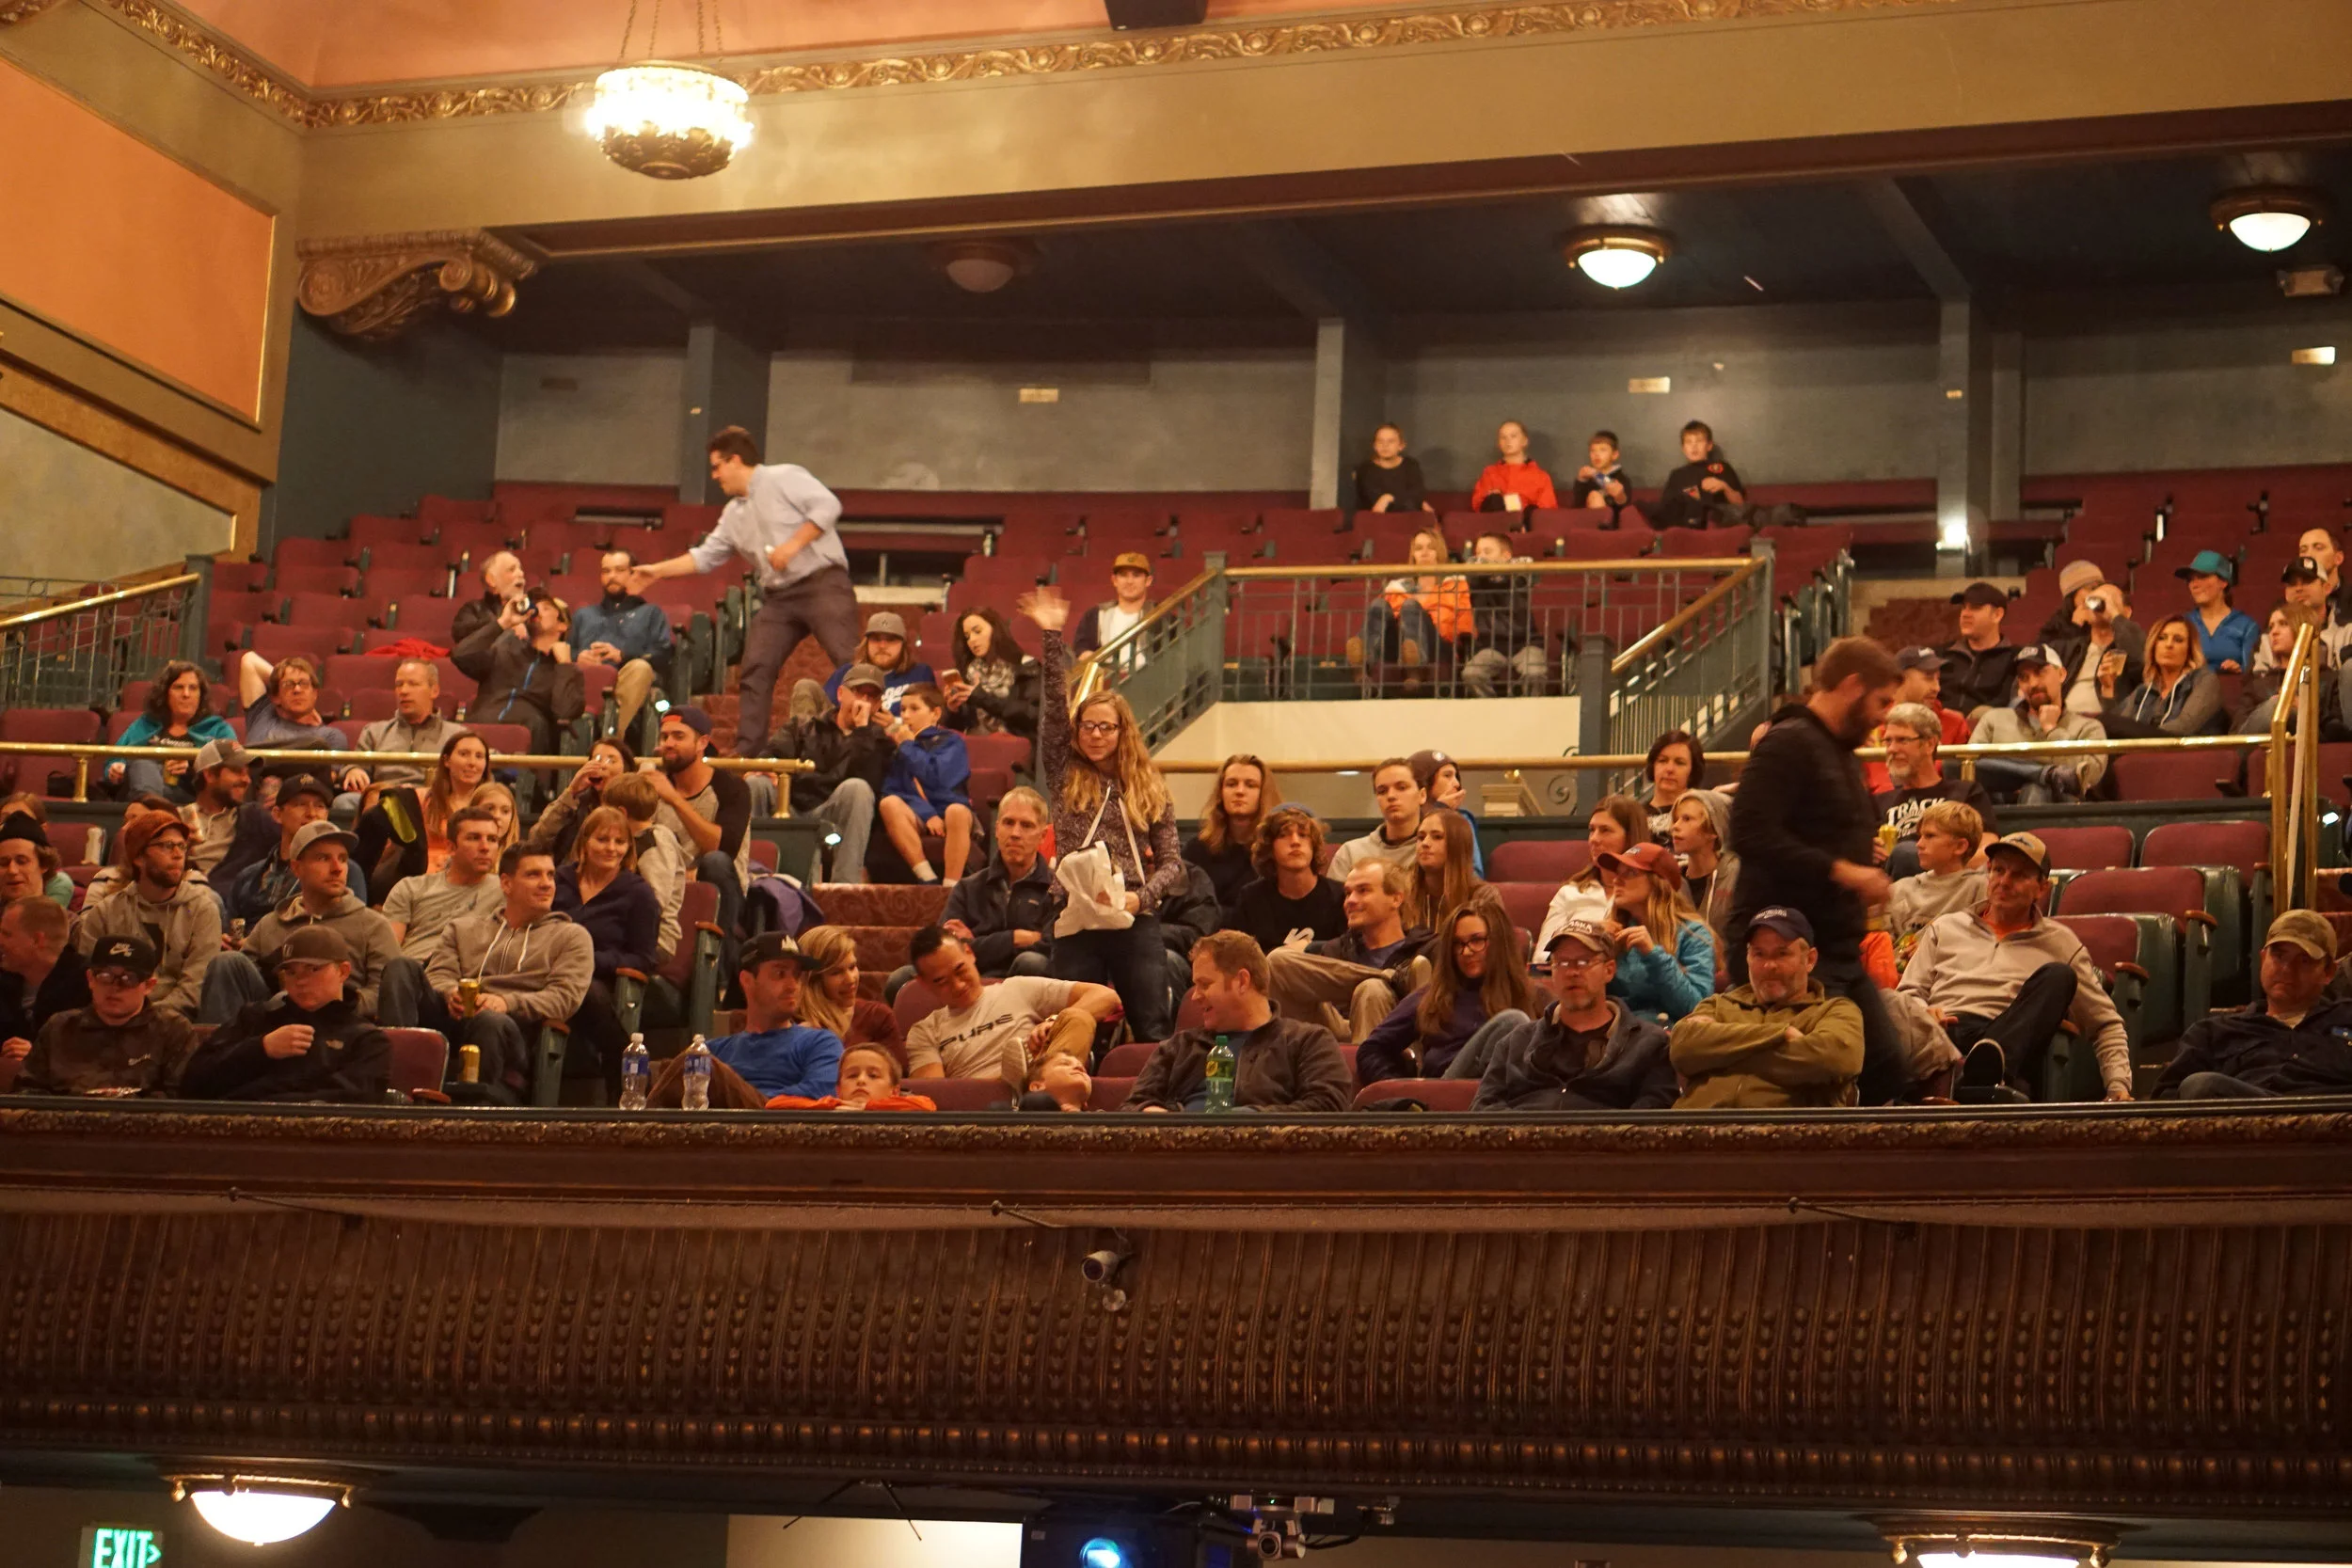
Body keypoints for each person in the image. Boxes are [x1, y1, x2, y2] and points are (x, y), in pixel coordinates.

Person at [1728, 635, 1904, 1102]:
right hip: (1788, 951)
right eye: (1882, 701)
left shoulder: (1837, 751)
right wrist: (1844, 871)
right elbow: (1748, 832)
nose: (1884, 716)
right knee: (1825, 1075)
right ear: (1853, 685)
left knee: (1885, 1065)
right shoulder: (1788, 742)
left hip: (1834, 949)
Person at [626, 426, 860, 758]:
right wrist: (656, 572)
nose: (714, 476)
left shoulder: (783, 477)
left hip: (822, 583)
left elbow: (828, 506)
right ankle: (749, 751)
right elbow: (706, 557)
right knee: (755, 666)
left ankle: (868, 737)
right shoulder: (733, 514)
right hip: (779, 597)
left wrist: (792, 545)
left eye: (717, 467)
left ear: (735, 460)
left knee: (851, 663)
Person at [1025, 586, 1185, 1042]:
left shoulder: (1148, 785)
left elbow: (1172, 862)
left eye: (1106, 728)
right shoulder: (1064, 771)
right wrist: (1052, 637)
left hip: (1132, 913)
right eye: (1088, 726)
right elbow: (1053, 709)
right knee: (1076, 1026)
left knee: (1151, 1023)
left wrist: (1141, 899)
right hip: (1074, 911)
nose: (1095, 735)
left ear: (1122, 732)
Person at [1898, 832, 2131, 1101]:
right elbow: (1908, 993)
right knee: (1885, 1002)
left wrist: (2118, 1086)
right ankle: (1966, 1079)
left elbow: (2104, 1023)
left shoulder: (2060, 943)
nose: (2004, 882)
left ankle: (1981, 1074)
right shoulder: (1946, 926)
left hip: (2005, 1038)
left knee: (2059, 975)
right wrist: (1924, 1012)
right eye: (1998, 870)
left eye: (2019, 875)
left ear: (2042, 888)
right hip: (1942, 1035)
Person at [392, 846, 595, 1101]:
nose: (546, 884)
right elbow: (439, 973)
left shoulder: (571, 936)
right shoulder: (463, 928)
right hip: (453, 1017)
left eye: (550, 875)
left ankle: (477, 1106)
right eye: (533, 875)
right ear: (506, 884)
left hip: (513, 1028)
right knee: (401, 968)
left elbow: (564, 998)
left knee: (490, 1021)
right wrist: (449, 992)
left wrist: (506, 1002)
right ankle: (397, 1081)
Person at [1124, 931, 1354, 1113]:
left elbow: (1327, 1107)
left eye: (1205, 984)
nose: (1195, 996)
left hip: (1263, 1154)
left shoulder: (1308, 1041)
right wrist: (1155, 1116)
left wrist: (1241, 1120)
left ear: (1242, 981)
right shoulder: (1179, 1047)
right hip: (1178, 1151)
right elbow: (1131, 1107)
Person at [199, 819, 401, 1025]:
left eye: (342, 859)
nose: (337, 869)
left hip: (343, 1028)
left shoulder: (373, 925)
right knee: (227, 962)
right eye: (323, 858)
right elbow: (242, 985)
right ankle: (219, 1044)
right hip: (275, 1027)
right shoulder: (270, 924)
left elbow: (386, 993)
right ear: (296, 868)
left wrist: (330, 1001)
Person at [1669, 906, 1865, 1109]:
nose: (1769, 965)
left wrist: (1721, 1051)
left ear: (1810, 959)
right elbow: (1682, 1047)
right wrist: (1782, 1034)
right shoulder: (1719, 1004)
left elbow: (1833, 1060)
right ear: (1747, 957)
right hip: (1693, 1124)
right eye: (1759, 954)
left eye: (1782, 953)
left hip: (1785, 1127)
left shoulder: (1836, 1011)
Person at [1470, 919, 1677, 1111]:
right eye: (1562, 963)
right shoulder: (1515, 1042)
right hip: (1521, 1136)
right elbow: (1483, 1109)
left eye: (1584, 962)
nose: (1572, 972)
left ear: (1609, 970)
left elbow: (1652, 1119)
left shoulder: (1649, 1045)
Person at [180, 926, 391, 1102]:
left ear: (343, 971)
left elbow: (354, 1101)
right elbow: (191, 1084)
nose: (301, 980)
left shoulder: (366, 1040)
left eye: (313, 969)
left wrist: (259, 1095)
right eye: (291, 972)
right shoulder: (254, 1018)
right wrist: (260, 1048)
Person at [2153, 911, 2352, 1100]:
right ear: (2263, 958)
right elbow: (2167, 1100)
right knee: (2201, 1085)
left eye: (2304, 961)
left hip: (2331, 1115)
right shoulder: (2212, 1033)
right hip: (2241, 1116)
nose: (2286, 969)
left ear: (2328, 972)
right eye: (2279, 956)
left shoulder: (2346, 1016)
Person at [902, 927, 1120, 1086]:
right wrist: (1003, 1081)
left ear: (969, 953)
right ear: (923, 983)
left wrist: (1055, 1022)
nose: (958, 985)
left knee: (1077, 1020)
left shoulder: (1017, 988)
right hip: (980, 1110)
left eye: (960, 970)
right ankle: (1030, 1088)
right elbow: (934, 1095)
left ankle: (1039, 1091)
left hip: (1040, 1082)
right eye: (941, 981)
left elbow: (1106, 996)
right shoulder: (924, 1032)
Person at [1356, 890, 1534, 1084]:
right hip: (1447, 1093)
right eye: (1458, 944)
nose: (1466, 952)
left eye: (1476, 940)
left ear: (1499, 942)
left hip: (1506, 1097)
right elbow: (1371, 1050)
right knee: (1512, 1022)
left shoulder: (1530, 995)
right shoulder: (1434, 996)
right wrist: (1404, 1093)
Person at [897, 785, 1057, 997]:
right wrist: (1015, 938)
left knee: (1031, 962)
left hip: (1021, 983)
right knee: (901, 979)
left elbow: (1051, 947)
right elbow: (946, 948)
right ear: (997, 829)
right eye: (1008, 823)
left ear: (1043, 836)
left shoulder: (1056, 888)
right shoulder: (968, 887)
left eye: (1026, 825)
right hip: (968, 976)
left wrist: (974, 944)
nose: (1015, 833)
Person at [647, 932, 841, 1108]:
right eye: (780, 974)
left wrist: (738, 1095)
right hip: (718, 1129)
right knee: (681, 1063)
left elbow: (820, 1093)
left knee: (697, 1061)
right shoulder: (717, 1049)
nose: (793, 985)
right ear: (747, 981)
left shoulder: (820, 1042)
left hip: (777, 1121)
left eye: (797, 976)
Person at [8, 936, 198, 1097]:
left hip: (147, 1127)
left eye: (128, 979)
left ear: (148, 986)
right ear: (90, 979)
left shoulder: (172, 1030)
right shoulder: (60, 1028)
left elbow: (184, 1101)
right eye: (105, 976)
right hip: (68, 1126)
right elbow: (27, 1091)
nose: (115, 987)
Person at [1264, 860, 1429, 1043]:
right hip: (1337, 1032)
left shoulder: (1425, 949)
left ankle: (1383, 982)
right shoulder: (1336, 949)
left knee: (1372, 988)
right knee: (1277, 960)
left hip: (1395, 1040)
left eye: (1363, 891)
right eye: (1348, 893)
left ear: (1396, 899)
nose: (1350, 901)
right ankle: (1392, 978)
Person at [73, 813, 219, 1018]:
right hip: (115, 1018)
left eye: (182, 846)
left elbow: (195, 986)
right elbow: (89, 979)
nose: (178, 855)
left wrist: (146, 1018)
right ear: (139, 858)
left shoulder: (202, 910)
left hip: (174, 1022)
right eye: (167, 846)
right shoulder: (106, 912)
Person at [766, 672, 893, 884]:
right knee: (756, 782)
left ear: (878, 705)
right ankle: (752, 875)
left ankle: (844, 886)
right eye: (858, 693)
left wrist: (862, 732)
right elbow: (770, 755)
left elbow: (870, 783)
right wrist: (767, 769)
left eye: (871, 697)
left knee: (858, 788)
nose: (863, 702)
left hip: (834, 813)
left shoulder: (879, 741)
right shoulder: (803, 726)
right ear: (841, 694)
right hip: (792, 806)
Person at [648, 705, 754, 925]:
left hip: (724, 893)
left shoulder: (732, 787)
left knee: (715, 862)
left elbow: (722, 849)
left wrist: (674, 799)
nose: (669, 743)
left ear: (702, 743)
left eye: (679, 736)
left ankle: (725, 944)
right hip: (667, 884)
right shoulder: (655, 787)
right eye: (665, 737)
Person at [355, 728, 490, 895]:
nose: (472, 762)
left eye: (479, 756)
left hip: (479, 886)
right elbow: (371, 828)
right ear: (446, 760)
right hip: (422, 886)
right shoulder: (419, 800)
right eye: (464, 754)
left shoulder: (494, 805)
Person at [1594, 841, 1716, 1022]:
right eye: (1618, 873)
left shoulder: (1693, 934)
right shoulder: (1614, 930)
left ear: (1658, 882)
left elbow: (1697, 1008)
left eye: (1630, 873)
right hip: (1616, 1030)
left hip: (1668, 1033)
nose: (1616, 880)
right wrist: (1593, 945)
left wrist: (1653, 954)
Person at [453, 588, 584, 758]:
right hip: (479, 736)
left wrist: (565, 665)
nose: (537, 610)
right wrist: (503, 623)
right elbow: (460, 655)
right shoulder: (504, 650)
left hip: (526, 750)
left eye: (546, 608)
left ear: (562, 625)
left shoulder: (565, 670)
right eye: (535, 606)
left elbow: (565, 713)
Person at [1872, 702, 1997, 876]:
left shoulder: (1965, 792)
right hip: (1892, 884)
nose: (1892, 749)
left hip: (1946, 884)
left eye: (1902, 740)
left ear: (1930, 744)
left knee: (1906, 853)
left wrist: (1941, 869)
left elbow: (1987, 851)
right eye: (1888, 741)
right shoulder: (1879, 802)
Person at [1971, 645, 2109, 802]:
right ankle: (2047, 774)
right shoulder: (1994, 719)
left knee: (2036, 789)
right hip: (1999, 803)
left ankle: (2044, 777)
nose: (2033, 683)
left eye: (2040, 672)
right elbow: (1969, 768)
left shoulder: (2089, 727)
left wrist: (2052, 731)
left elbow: (2089, 776)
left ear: (2062, 674)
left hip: (2058, 806)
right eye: (2024, 677)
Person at [567, 546, 674, 734]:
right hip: (586, 681)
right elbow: (567, 652)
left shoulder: (650, 613)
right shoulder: (583, 614)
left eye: (619, 570)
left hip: (627, 680)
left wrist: (622, 656)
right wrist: (578, 657)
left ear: (634, 574)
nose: (612, 576)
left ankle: (611, 738)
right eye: (606, 571)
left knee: (640, 668)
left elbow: (663, 654)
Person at [228, 777, 360, 926]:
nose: (312, 813)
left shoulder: (343, 871)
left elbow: (351, 925)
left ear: (327, 816)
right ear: (277, 814)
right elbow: (230, 924)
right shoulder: (248, 876)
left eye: (320, 806)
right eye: (300, 804)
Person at [382, 805, 506, 965]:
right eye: (474, 838)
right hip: (414, 969)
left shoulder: (507, 891)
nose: (485, 847)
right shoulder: (411, 888)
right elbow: (388, 954)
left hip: (465, 972)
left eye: (492, 839)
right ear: (451, 847)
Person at [877, 684, 973, 883]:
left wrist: (908, 746)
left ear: (935, 713)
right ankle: (927, 878)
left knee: (956, 811)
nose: (906, 716)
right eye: (903, 709)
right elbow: (893, 789)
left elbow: (940, 781)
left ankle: (950, 887)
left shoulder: (951, 742)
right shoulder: (899, 746)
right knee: (889, 803)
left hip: (951, 812)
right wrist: (927, 814)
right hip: (919, 814)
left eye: (914, 708)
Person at [336, 658, 459, 815]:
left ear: (434, 691)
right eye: (399, 684)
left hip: (433, 802)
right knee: (345, 802)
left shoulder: (456, 735)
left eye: (413, 684)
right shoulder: (374, 731)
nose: (403, 691)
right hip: (383, 800)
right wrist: (352, 770)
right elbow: (355, 765)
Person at [1353, 527, 1470, 689]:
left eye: (1431, 547)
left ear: (1440, 552)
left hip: (1440, 645)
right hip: (1399, 646)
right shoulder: (1397, 588)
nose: (1424, 553)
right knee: (1379, 605)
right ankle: (1362, 665)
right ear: (1413, 555)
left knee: (1410, 606)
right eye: (1419, 548)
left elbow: (1466, 624)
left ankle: (1415, 668)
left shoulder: (1456, 585)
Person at [1225, 806, 1347, 954]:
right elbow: (1239, 955)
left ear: (1313, 846)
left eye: (1303, 835)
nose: (1295, 842)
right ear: (1270, 848)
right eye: (1283, 835)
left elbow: (1350, 952)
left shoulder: (1340, 896)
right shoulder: (1251, 898)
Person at [1534, 795, 1650, 951]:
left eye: (1605, 830)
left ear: (1630, 837)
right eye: (1592, 830)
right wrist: (1589, 931)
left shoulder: (1648, 893)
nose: (1594, 839)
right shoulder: (1570, 893)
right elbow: (1541, 956)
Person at [111, 660, 234, 800]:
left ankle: (151, 808)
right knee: (142, 764)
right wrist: (116, 768)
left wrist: (192, 768)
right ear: (165, 693)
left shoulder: (218, 729)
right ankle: (152, 805)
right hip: (141, 787)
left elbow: (232, 772)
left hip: (191, 795)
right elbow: (116, 757)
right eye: (178, 687)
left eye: (193, 688)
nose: (186, 694)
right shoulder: (145, 724)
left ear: (201, 695)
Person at [598, 772, 688, 962]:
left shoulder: (655, 843)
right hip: (623, 930)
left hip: (655, 940)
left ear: (621, 813)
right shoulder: (632, 842)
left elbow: (653, 902)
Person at [1884, 799, 1987, 963]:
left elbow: (1982, 944)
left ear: (1960, 846)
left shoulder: (1980, 888)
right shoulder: (1899, 889)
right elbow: (1881, 947)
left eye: (1930, 836)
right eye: (1920, 836)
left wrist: (1935, 949)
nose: (1919, 844)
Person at [0, 895, 85, 1092]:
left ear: (37, 940)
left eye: (6, 934)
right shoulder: (5, 979)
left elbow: (99, 1055)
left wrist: (39, 1055)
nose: (0, 941)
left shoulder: (88, 984)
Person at [792, 924, 904, 1067]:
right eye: (836, 972)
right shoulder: (791, 1021)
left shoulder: (878, 1017)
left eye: (852, 967)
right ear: (814, 980)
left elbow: (896, 1075)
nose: (850, 979)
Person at [1183, 753, 1279, 918]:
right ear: (1221, 793)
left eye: (1250, 785)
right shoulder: (1196, 849)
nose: (1240, 791)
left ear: (1263, 794)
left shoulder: (1276, 849)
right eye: (1231, 784)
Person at [2101, 613, 2223, 738]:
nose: (2168, 644)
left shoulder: (2205, 680)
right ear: (2153, 646)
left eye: (2178, 640)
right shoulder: (2144, 691)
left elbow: (2184, 726)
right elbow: (2114, 730)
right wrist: (2108, 688)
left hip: (2183, 750)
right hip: (2142, 749)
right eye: (2162, 638)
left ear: (2189, 649)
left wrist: (2136, 737)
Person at [2233, 602, 2345, 736]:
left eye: (2283, 624)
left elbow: (2338, 733)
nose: (2274, 632)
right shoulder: (2258, 684)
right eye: (2271, 627)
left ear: (2303, 629)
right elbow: (2237, 732)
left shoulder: (2330, 680)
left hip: (2313, 743)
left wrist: (2305, 710)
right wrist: (2269, 708)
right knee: (2277, 706)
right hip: (2260, 744)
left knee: (2281, 707)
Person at [1463, 531, 1547, 697]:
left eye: (1487, 552)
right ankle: (1492, 708)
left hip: (1526, 643)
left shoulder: (1521, 576)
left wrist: (1504, 571)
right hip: (1491, 645)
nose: (1481, 558)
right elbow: (1471, 565)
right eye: (1478, 552)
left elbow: (1528, 564)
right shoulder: (1477, 580)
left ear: (1506, 556)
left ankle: (1532, 709)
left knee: (1535, 673)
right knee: (1471, 674)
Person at [943, 607, 1040, 745]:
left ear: (995, 630)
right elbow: (958, 728)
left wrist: (981, 697)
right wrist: (953, 711)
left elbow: (1031, 716)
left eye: (977, 631)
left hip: (1015, 747)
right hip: (976, 745)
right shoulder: (968, 672)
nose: (972, 640)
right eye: (967, 636)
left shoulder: (1026, 666)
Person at [1326, 758, 1426, 882]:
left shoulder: (1433, 847)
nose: (1391, 796)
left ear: (1422, 795)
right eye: (1382, 791)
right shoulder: (1350, 852)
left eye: (1401, 787)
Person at [819, 610, 935, 717]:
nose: (882, 646)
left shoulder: (920, 674)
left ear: (903, 645)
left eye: (890, 639)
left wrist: (895, 725)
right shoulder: (846, 673)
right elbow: (825, 713)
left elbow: (931, 719)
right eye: (876, 639)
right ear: (866, 643)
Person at [182, 738, 263, 881]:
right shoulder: (177, 817)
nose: (247, 780)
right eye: (237, 771)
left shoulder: (253, 819)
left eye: (247, 773)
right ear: (210, 775)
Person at [1669, 789, 1740, 951]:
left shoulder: (1737, 875)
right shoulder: (1670, 879)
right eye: (1676, 819)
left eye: (1687, 819)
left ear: (1713, 830)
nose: (1675, 827)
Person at [235, 653, 344, 753]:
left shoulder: (329, 736)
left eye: (304, 683)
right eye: (288, 685)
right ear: (276, 697)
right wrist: (277, 680)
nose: (297, 689)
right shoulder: (262, 716)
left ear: (315, 694)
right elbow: (249, 660)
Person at [1938, 583, 2019, 718]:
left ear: (1997, 615)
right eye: (1963, 607)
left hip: (1987, 727)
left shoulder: (2015, 659)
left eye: (1975, 608)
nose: (1965, 614)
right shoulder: (1940, 655)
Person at [1649, 420, 1744, 531]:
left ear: (1709, 446)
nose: (1694, 446)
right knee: (1643, 506)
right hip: (1683, 527)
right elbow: (1665, 510)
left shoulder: (1721, 467)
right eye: (1689, 442)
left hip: (1713, 524)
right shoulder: (1677, 475)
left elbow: (1740, 504)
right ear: (1683, 449)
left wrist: (1724, 487)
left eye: (1699, 441)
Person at [2178, 548, 2258, 675]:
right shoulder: (2183, 624)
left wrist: (2238, 670)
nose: (2194, 585)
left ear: (2223, 582)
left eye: (2202, 577)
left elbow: (2252, 674)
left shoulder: (2246, 626)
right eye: (2190, 580)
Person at [1402, 808, 1482, 934]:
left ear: (1457, 845)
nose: (1425, 843)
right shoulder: (1403, 893)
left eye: (1437, 837)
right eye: (1421, 837)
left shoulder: (1482, 896)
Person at [1071, 553, 1157, 657]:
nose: (1129, 581)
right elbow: (1081, 648)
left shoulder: (1161, 616)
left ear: (1148, 581)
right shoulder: (1095, 614)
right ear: (1114, 580)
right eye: (1123, 575)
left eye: (1136, 575)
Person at [1468, 420, 1557, 515]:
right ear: (1498, 443)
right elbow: (1478, 505)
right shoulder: (1490, 473)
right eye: (1503, 437)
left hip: (1527, 522)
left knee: (1534, 512)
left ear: (1524, 441)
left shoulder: (1541, 477)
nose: (1508, 441)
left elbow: (1547, 512)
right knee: (1494, 500)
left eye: (1513, 436)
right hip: (1496, 521)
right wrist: (1492, 499)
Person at [451, 549, 528, 651]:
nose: (521, 574)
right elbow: (463, 641)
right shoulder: (473, 609)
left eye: (520, 569)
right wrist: (504, 624)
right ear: (491, 580)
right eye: (512, 569)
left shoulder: (533, 610)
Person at [1353, 422, 1431, 514]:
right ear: (1374, 446)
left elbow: (1416, 496)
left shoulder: (1411, 465)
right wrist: (1386, 500)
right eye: (1380, 441)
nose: (1385, 445)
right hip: (1376, 518)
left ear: (1401, 446)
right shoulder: (1366, 469)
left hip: (1408, 516)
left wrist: (1388, 498)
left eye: (1391, 441)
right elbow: (1373, 503)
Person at [1641, 730, 1703, 838]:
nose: (1669, 769)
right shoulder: (1636, 816)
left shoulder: (1702, 816)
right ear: (1653, 766)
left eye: (1679, 763)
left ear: (1693, 771)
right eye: (1662, 761)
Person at [1569, 430, 1635, 521]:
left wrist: (1620, 497)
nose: (1597, 454)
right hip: (1585, 522)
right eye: (1592, 451)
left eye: (1603, 450)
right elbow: (1577, 506)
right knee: (1594, 496)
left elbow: (1625, 509)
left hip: (1612, 524)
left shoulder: (1621, 478)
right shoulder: (1587, 479)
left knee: (1595, 496)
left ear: (1614, 455)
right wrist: (1581, 480)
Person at [1019, 1046, 1096, 1112]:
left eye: (1083, 1068)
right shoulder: (1022, 1119)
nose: (1079, 1067)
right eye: (1065, 1063)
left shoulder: (1100, 1118)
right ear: (1037, 1087)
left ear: (1085, 1103)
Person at [0, 811, 47, 908]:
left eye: (21, 862)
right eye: (4, 863)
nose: (12, 870)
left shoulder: (62, 917)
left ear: (44, 864)